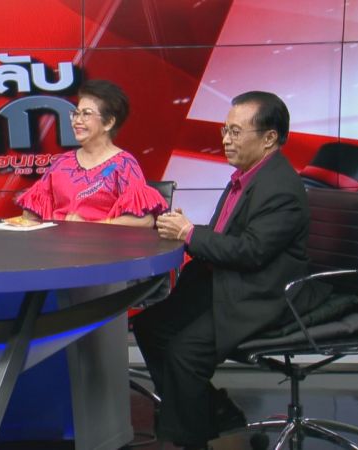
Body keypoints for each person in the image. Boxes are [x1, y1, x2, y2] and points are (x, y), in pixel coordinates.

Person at [134, 91, 320, 449]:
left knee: (184, 353)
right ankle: (215, 414)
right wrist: (186, 231)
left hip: (262, 294)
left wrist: (189, 233)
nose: (225, 139)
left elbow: (251, 252)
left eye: (236, 132)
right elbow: (229, 238)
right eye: (225, 130)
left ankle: (190, 438)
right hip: (227, 281)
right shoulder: (248, 176)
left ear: (269, 138)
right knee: (150, 327)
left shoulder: (280, 187)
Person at [14, 79, 167, 225]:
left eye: (86, 114)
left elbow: (145, 221)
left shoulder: (124, 164)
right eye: (76, 113)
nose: (77, 121)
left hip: (102, 243)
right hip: (57, 241)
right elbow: (32, 211)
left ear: (108, 122)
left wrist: (91, 226)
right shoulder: (62, 162)